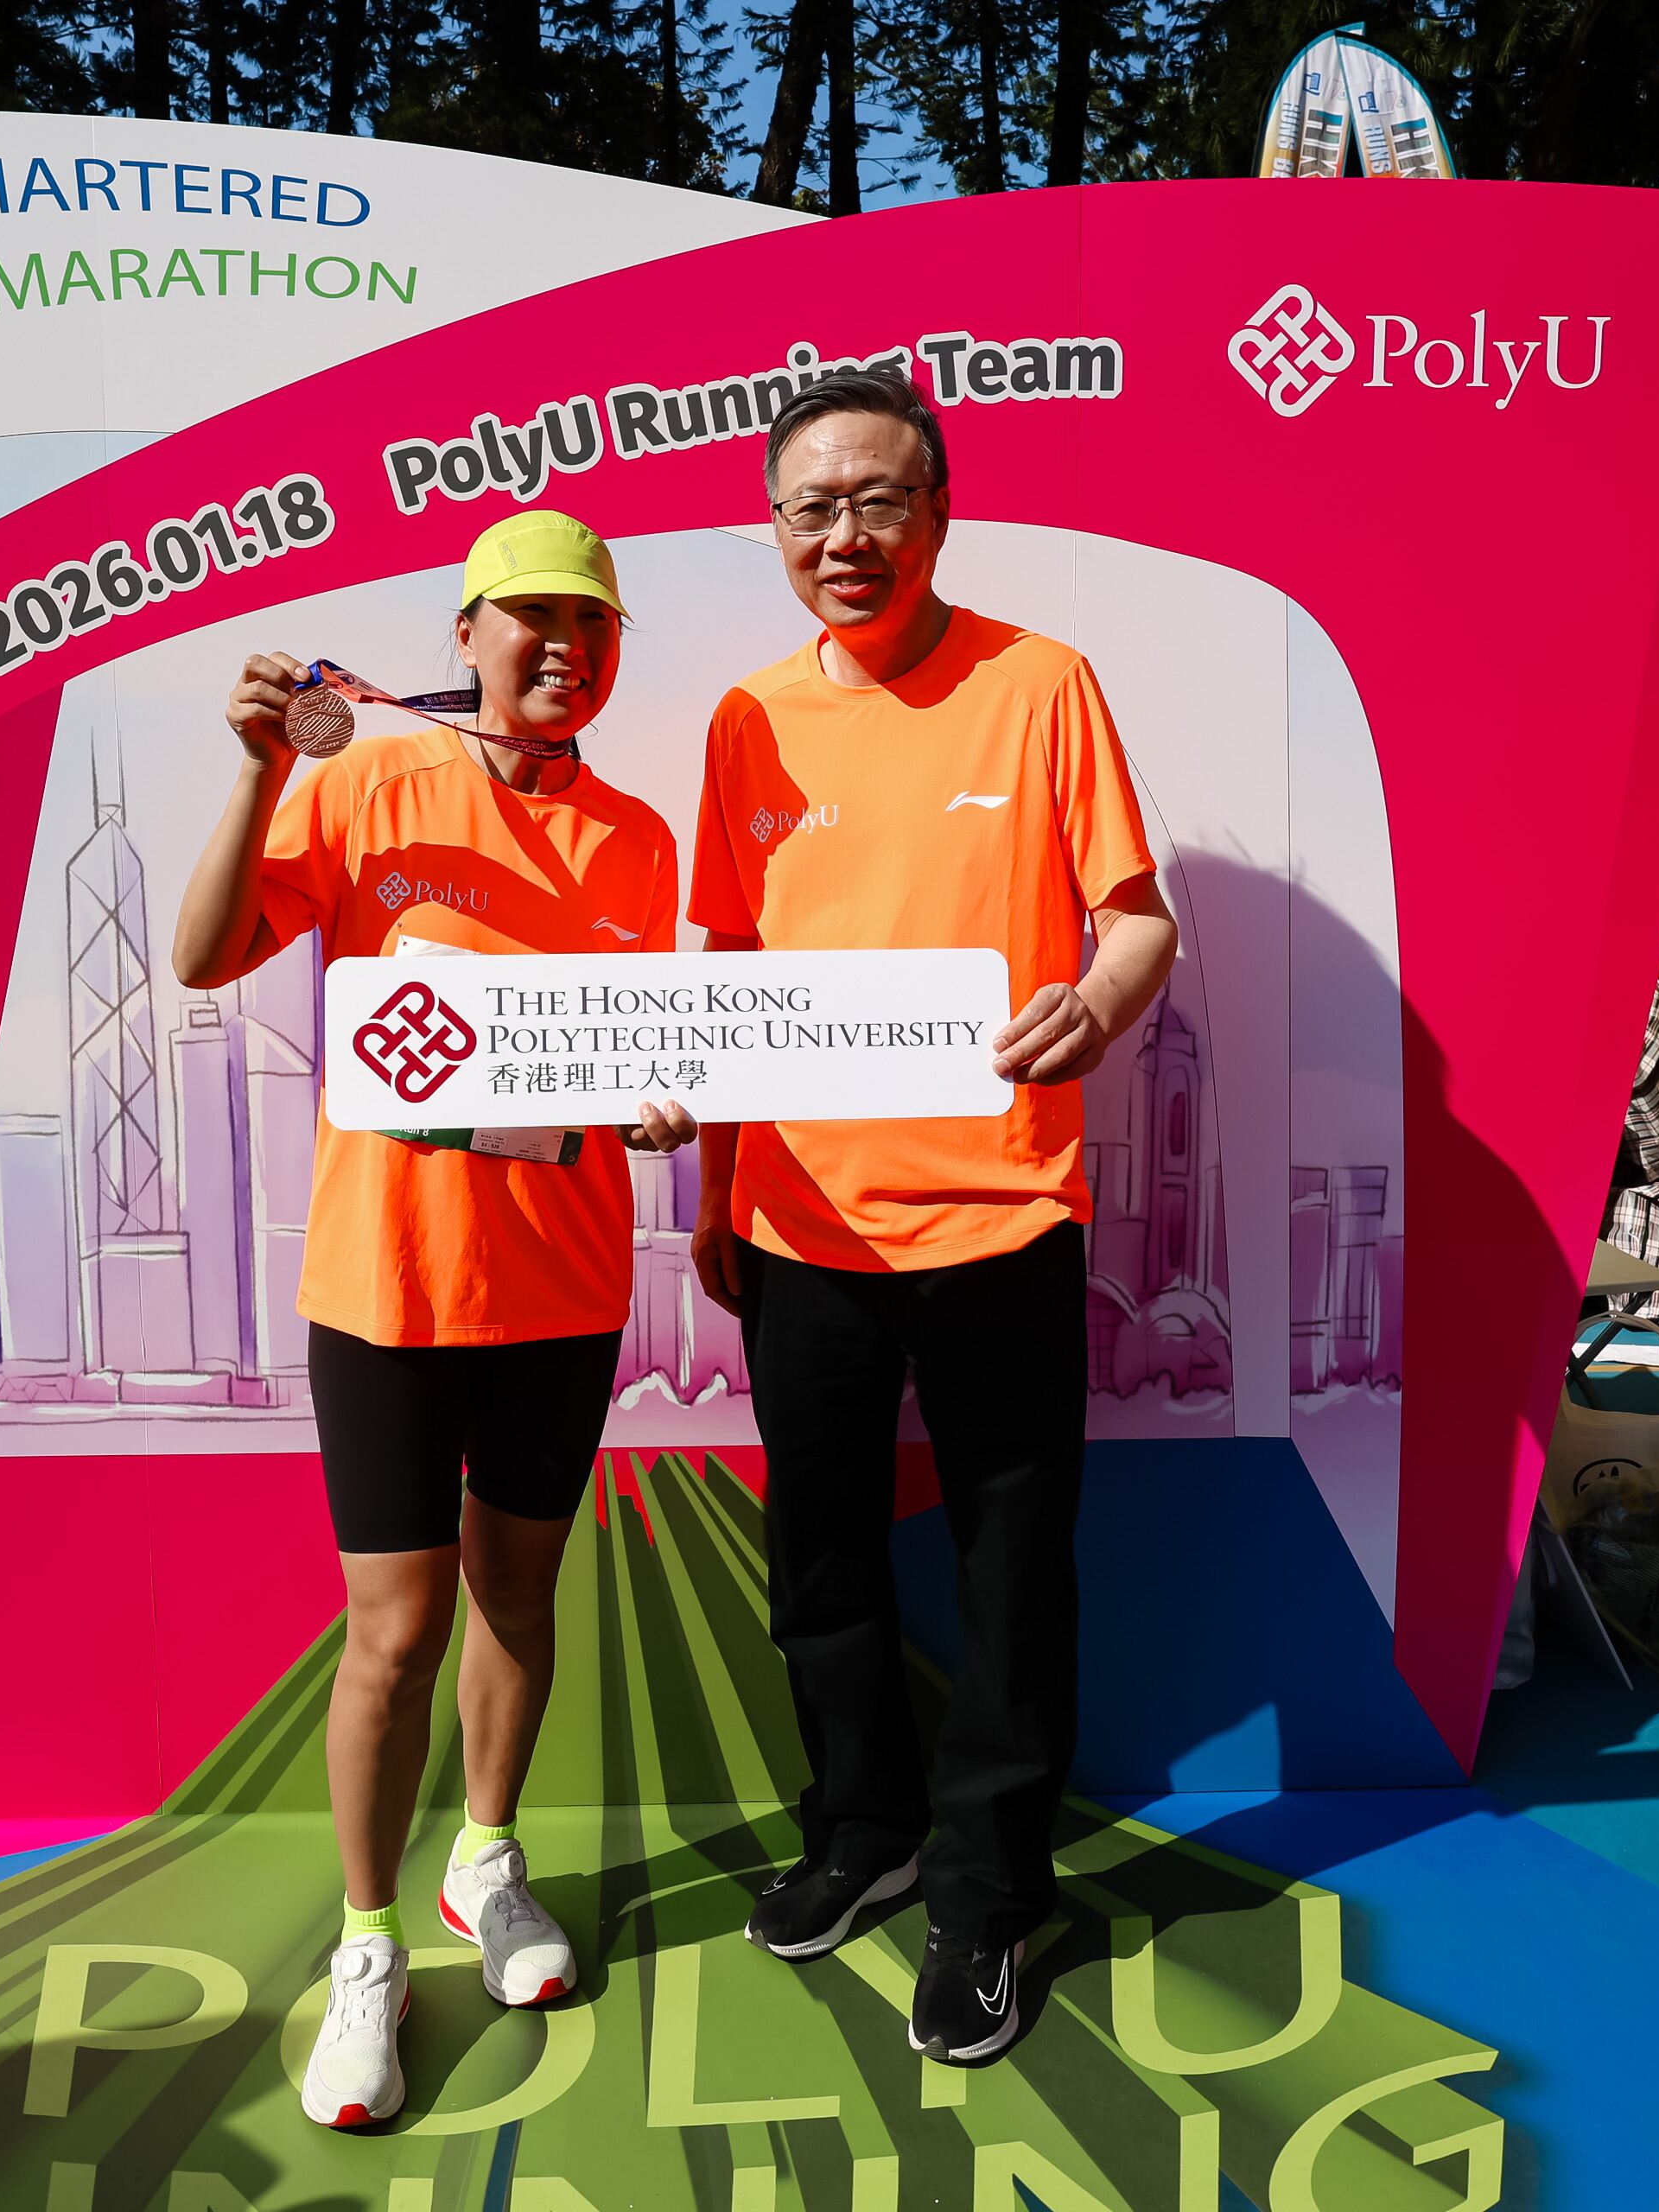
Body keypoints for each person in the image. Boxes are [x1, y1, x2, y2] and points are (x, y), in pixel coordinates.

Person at [172, 512, 695, 2130]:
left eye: (587, 625)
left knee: (519, 1599)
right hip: (388, 1288)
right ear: (464, 631)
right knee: (391, 1637)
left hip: (562, 1286)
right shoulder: (360, 779)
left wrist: (660, 1097)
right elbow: (201, 959)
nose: (558, 647)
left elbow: (622, 1051)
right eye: (527, 618)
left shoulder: (641, 834)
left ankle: (484, 1858)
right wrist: (260, 763)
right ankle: (367, 1946)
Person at [688, 369, 1177, 2063]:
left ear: (939, 517)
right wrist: (710, 1183)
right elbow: (726, 972)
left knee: (1010, 1573)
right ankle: (861, 1827)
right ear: (773, 531)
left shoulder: (1042, 686)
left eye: (880, 501)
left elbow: (1137, 917)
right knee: (819, 1564)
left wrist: (1097, 1007)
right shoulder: (744, 719)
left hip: (1000, 1217)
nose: (847, 534)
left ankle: (990, 1892)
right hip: (800, 1225)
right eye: (813, 507)